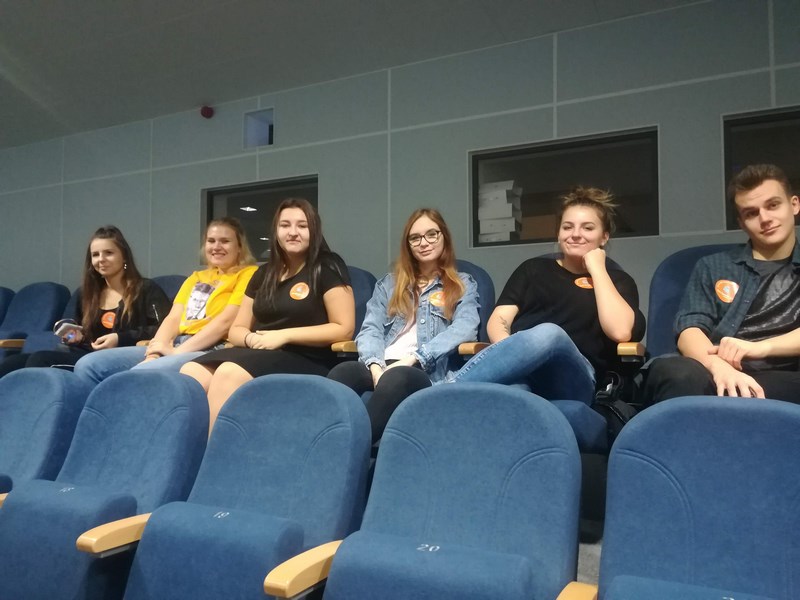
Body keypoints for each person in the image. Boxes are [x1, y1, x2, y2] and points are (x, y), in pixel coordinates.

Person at [449, 187, 645, 404]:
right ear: (559, 234)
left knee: (550, 334)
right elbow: (499, 320)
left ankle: (445, 392)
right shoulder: (532, 270)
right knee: (515, 392)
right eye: (567, 227)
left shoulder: (617, 281)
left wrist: (597, 269)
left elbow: (620, 331)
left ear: (604, 237)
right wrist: (515, 356)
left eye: (588, 228)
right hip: (527, 371)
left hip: (576, 380)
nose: (575, 234)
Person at [180, 198, 355, 430]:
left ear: (314, 230)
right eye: (285, 225)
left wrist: (284, 335)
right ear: (276, 231)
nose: (293, 232)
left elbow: (344, 328)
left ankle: (213, 451)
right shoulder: (264, 273)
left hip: (308, 356)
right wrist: (251, 339)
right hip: (259, 351)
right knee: (191, 371)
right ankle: (187, 448)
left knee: (228, 373)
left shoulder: (328, 266)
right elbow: (237, 329)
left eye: (302, 226)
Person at [642, 164, 800, 404]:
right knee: (676, 373)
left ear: (794, 205)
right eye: (751, 213)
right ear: (742, 222)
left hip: (786, 375)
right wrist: (718, 367)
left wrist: (758, 348)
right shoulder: (713, 266)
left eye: (773, 205)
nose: (765, 219)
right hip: (715, 371)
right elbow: (689, 330)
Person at [327, 208, 479, 441]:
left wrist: (413, 358)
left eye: (431, 234)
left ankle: (350, 447)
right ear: (408, 244)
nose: (423, 243)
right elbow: (370, 329)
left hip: (423, 369)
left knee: (396, 378)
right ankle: (325, 440)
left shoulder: (462, 284)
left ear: (444, 237)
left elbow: (466, 327)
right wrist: (375, 367)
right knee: (342, 372)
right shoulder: (388, 285)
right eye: (415, 238)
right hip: (381, 364)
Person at [73, 218, 258, 383]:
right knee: (88, 365)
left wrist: (178, 352)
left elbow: (225, 322)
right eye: (211, 241)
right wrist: (154, 353)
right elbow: (173, 318)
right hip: (176, 342)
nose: (216, 246)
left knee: (138, 376)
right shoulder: (197, 277)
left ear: (239, 247)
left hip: (210, 346)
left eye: (225, 241)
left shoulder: (248, 274)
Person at [0, 225, 171, 376]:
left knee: (40, 360)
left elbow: (163, 328)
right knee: (12, 363)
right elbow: (70, 324)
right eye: (95, 255)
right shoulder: (86, 292)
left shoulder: (145, 288)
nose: (101, 259)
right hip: (83, 353)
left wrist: (120, 338)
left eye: (109, 253)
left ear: (124, 257)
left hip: (119, 356)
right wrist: (72, 335)